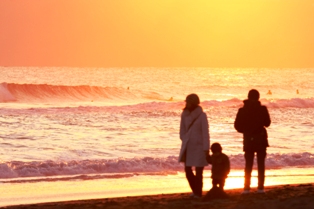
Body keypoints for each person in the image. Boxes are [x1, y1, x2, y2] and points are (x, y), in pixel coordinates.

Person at [234, 89, 271, 194]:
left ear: (248, 97)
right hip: (260, 139)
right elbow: (267, 123)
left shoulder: (242, 110)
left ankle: (246, 188)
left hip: (248, 139)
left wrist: (246, 131)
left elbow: (237, 126)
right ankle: (260, 188)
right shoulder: (263, 109)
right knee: (261, 164)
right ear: (258, 97)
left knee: (248, 164)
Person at [179, 93, 210, 198]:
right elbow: (182, 130)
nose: (186, 104)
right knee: (187, 170)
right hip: (188, 146)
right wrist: (184, 138)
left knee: (199, 171)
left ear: (193, 103)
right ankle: (195, 190)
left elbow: (205, 133)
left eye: (188, 102)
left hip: (199, 147)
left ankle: (198, 193)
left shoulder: (202, 115)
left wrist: (206, 148)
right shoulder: (184, 114)